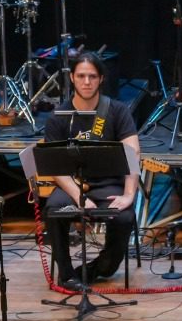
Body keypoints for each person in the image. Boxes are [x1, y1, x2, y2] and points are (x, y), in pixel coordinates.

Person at [42, 52, 140, 288]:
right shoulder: (58, 116)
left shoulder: (117, 111)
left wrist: (129, 195)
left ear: (101, 79)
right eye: (81, 76)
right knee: (53, 208)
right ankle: (66, 275)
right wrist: (79, 197)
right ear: (72, 78)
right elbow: (55, 166)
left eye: (92, 76)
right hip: (73, 183)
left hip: (109, 183)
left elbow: (132, 153)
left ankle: (98, 268)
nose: (87, 82)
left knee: (124, 217)